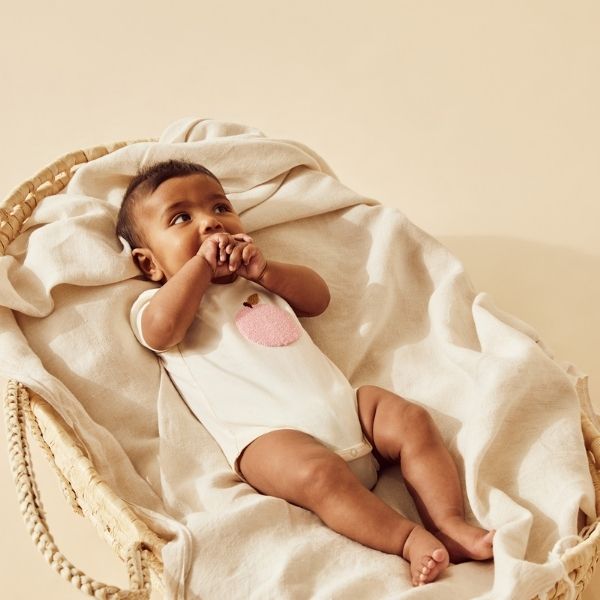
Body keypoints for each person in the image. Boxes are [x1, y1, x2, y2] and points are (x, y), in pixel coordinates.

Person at [117, 159, 494, 586]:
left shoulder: (258, 281)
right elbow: (162, 332)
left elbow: (318, 299)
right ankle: (408, 539)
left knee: (411, 419)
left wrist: (266, 271)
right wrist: (199, 268)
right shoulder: (157, 303)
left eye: (220, 208)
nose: (210, 224)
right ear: (149, 264)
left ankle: (448, 522)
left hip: (347, 414)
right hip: (268, 439)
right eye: (182, 218)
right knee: (319, 475)